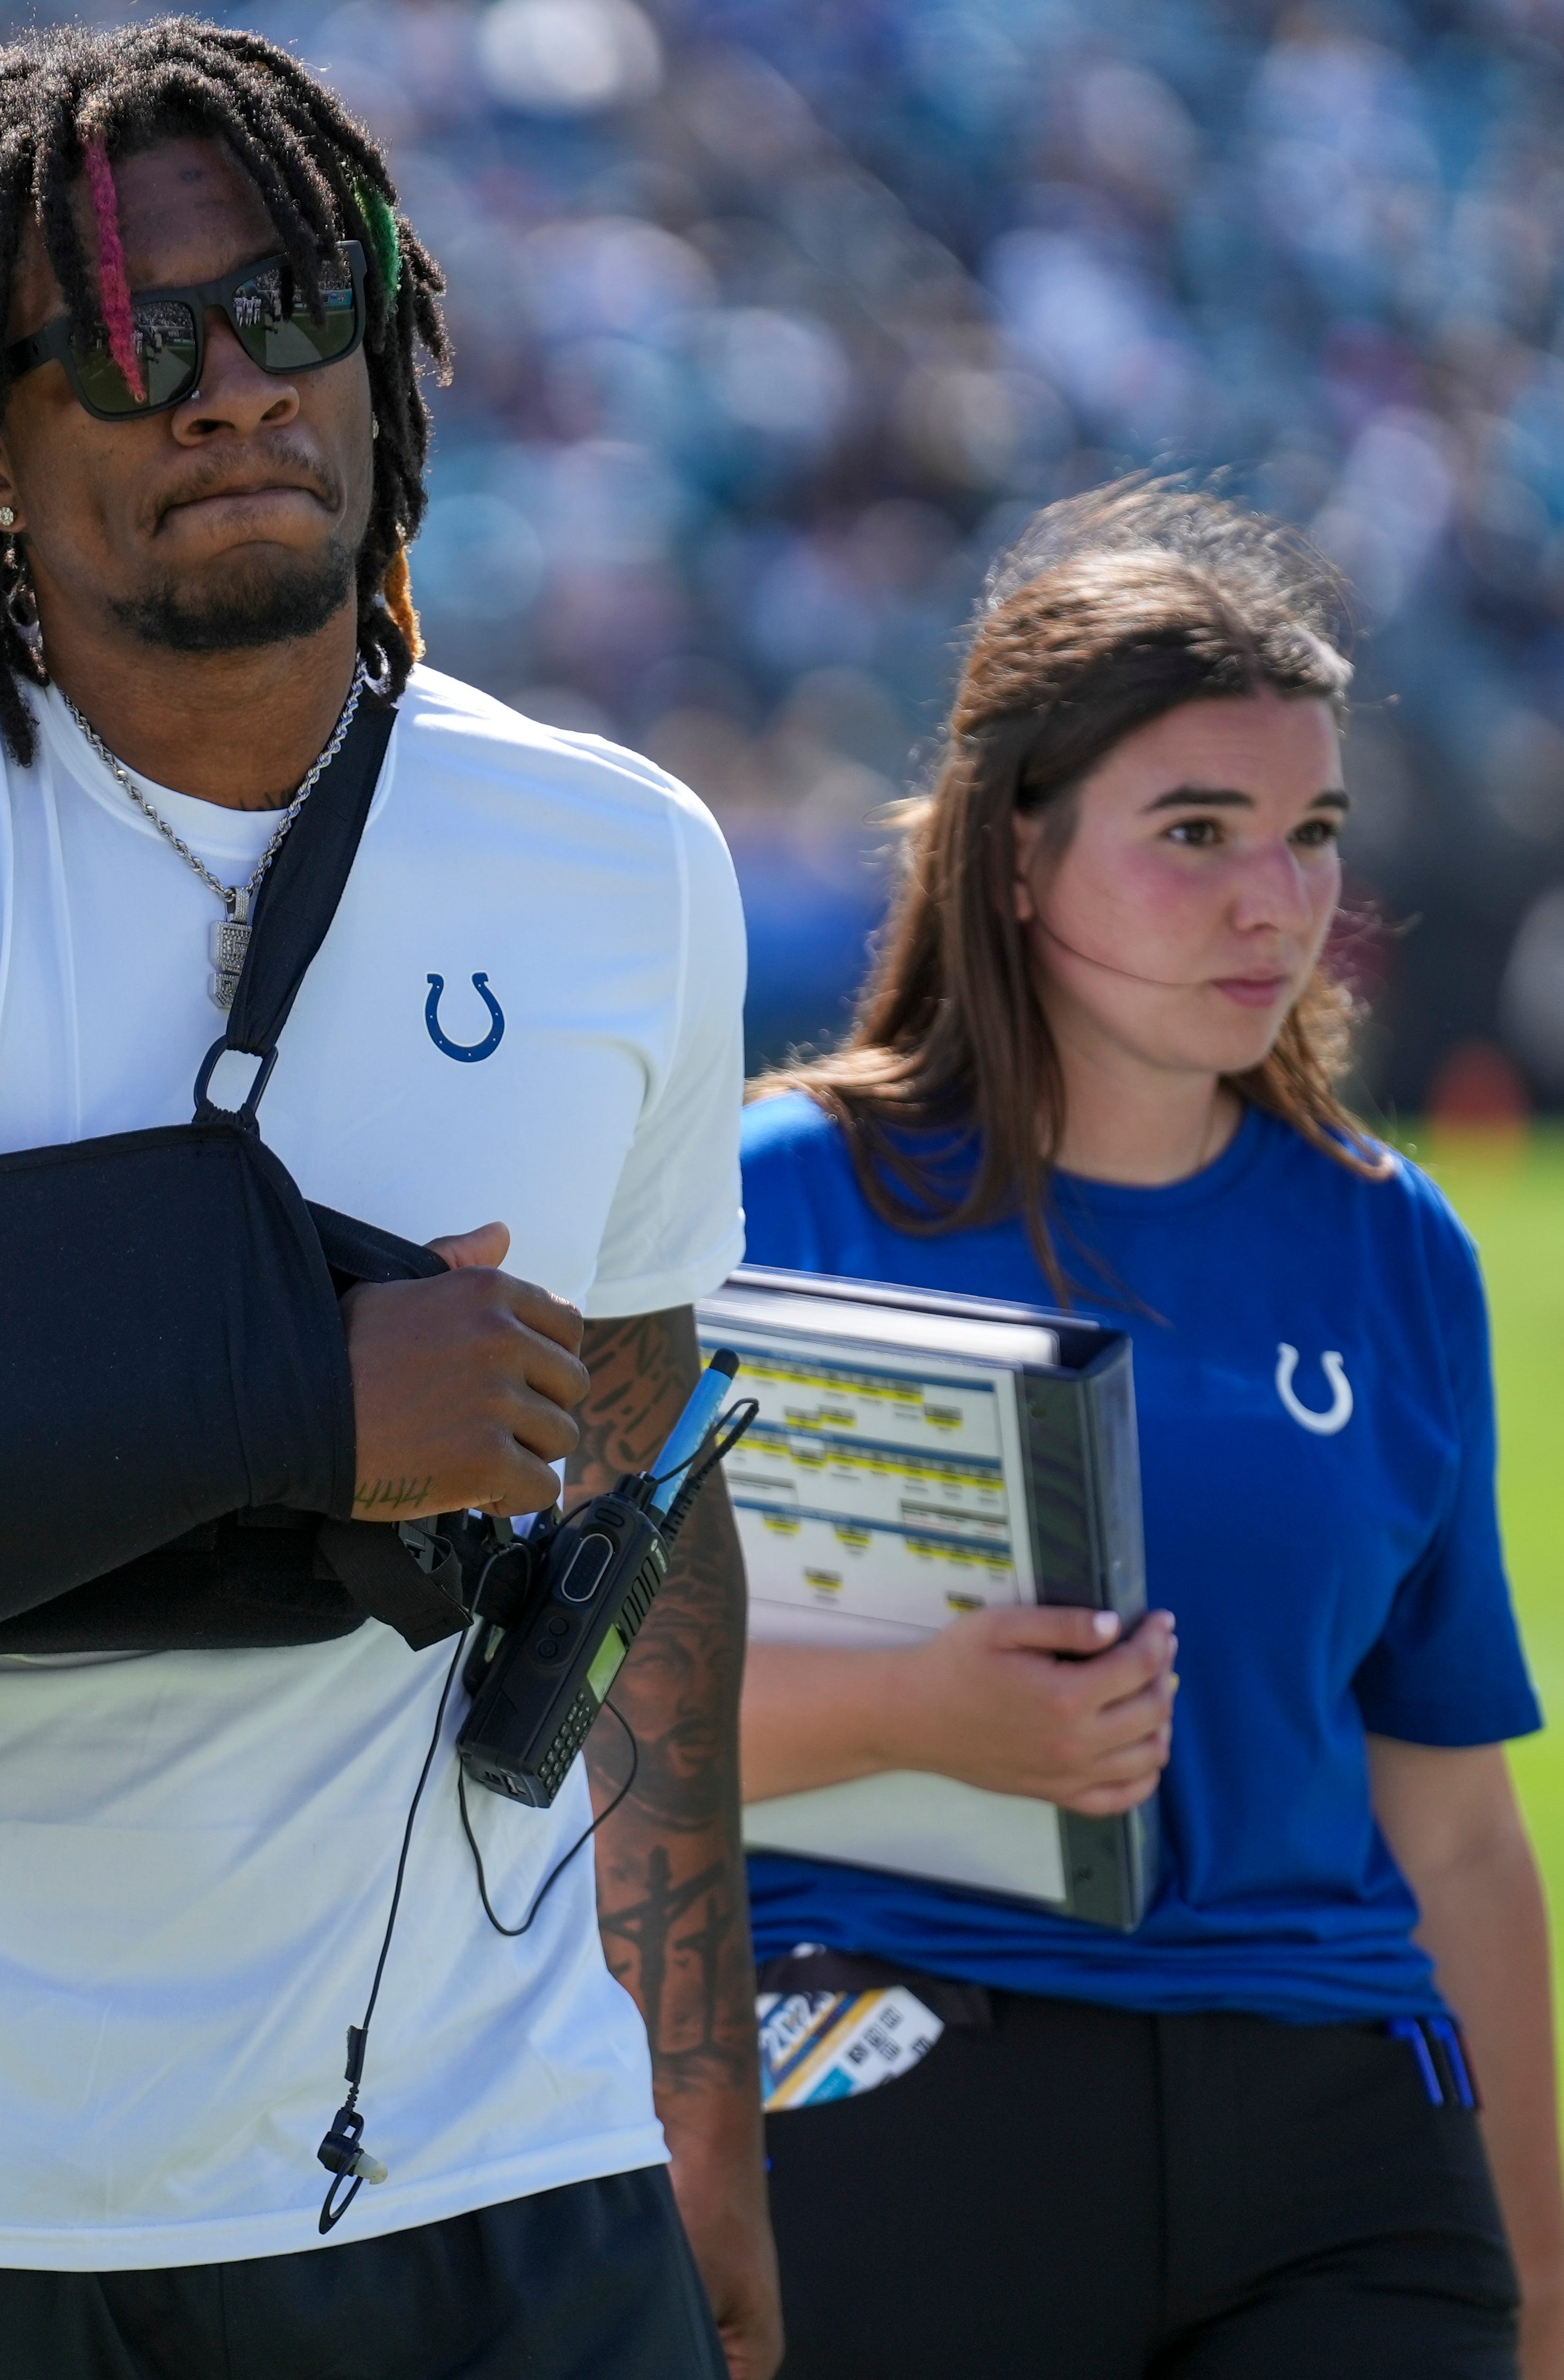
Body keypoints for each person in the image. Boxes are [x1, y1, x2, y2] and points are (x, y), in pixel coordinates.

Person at [0, 23, 780, 2378]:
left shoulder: (624, 861)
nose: (222, 389)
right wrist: (286, 1402)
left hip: (492, 2175)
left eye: (284, 307)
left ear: (382, 351)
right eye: (122, 337)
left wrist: (694, 2096)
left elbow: (640, 1476)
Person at [734, 481, 1560, 2380]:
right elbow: (583, 1724)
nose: (1274, 898)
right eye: (1196, 832)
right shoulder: (778, 1198)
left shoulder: (1387, 1237)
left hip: (1346, 2137)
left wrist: (1545, 2287)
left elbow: (1451, 1818)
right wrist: (907, 1715)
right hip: (901, 2086)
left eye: (1310, 834)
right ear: (1014, 858)